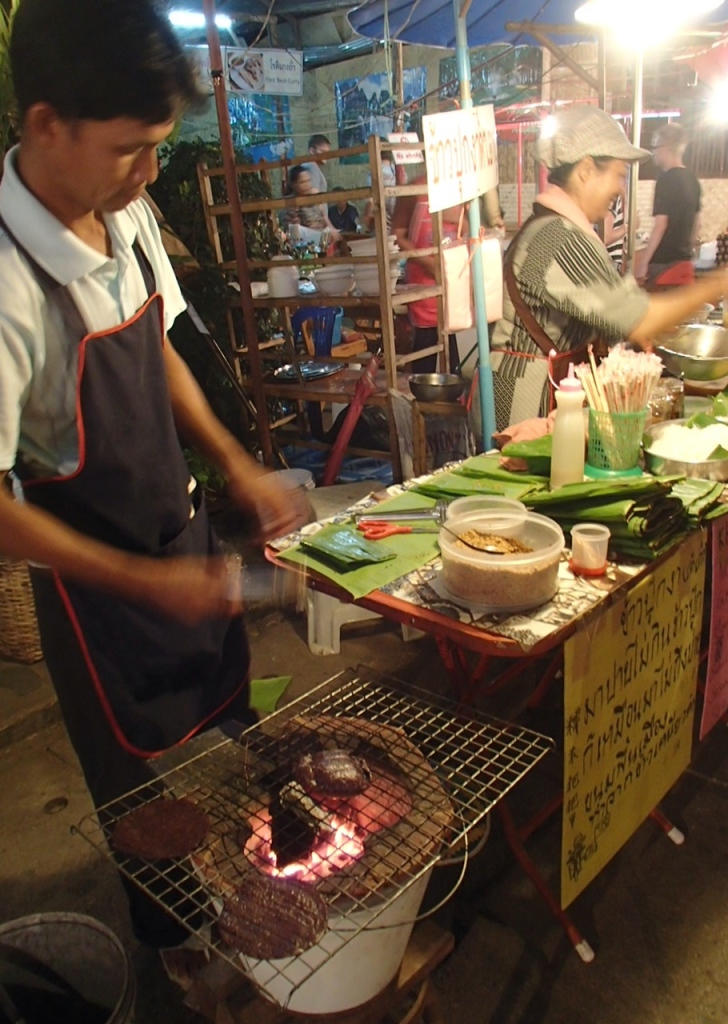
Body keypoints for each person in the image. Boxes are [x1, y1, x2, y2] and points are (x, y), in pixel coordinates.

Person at [0, 0, 309, 987]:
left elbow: (158, 339)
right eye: (131, 149)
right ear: (46, 124)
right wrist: (136, 577)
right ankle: (180, 956)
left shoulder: (124, 211)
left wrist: (233, 458)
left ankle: (264, 882)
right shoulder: (7, 285)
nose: (148, 175)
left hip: (177, 540)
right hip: (95, 597)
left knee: (230, 723)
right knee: (143, 796)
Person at [491, 104, 728, 444]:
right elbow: (640, 319)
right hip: (526, 406)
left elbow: (615, 312)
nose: (621, 189)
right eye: (619, 174)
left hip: (551, 395)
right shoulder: (557, 237)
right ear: (586, 170)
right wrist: (721, 283)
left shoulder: (566, 229)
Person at [391, 177, 463, 374]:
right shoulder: (414, 189)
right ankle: (423, 397)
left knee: (449, 338)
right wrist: (428, 263)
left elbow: (468, 227)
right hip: (422, 282)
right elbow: (397, 236)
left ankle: (453, 394)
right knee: (426, 341)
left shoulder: (460, 185)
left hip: (452, 276)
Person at [634, 123, 701, 290]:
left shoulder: (665, 180)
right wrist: (688, 252)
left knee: (659, 315)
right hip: (685, 266)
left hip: (664, 267)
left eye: (655, 146)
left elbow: (661, 225)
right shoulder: (693, 180)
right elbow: (697, 224)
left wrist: (643, 263)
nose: (654, 152)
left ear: (666, 147)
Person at [282, 164, 337, 243]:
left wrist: (332, 229)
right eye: (303, 182)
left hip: (322, 234)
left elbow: (324, 217)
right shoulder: (291, 202)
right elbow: (295, 231)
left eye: (309, 181)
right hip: (304, 239)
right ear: (294, 184)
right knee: (296, 230)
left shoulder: (314, 195)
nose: (307, 184)